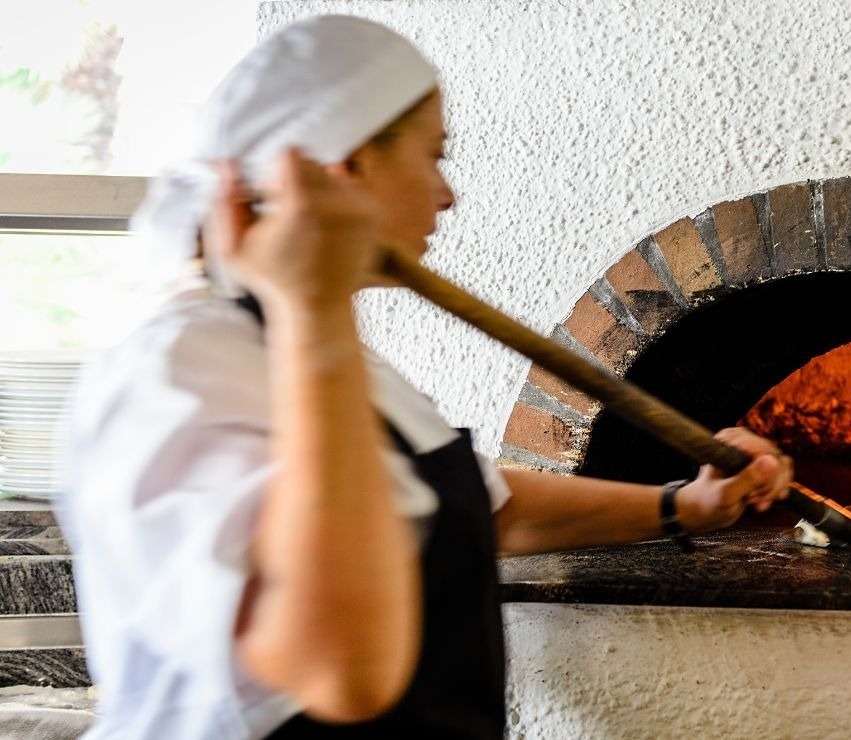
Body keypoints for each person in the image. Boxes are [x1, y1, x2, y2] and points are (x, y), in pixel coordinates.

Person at [57, 15, 792, 740]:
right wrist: (318, 312)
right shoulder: (176, 373)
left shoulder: (297, 345)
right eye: (432, 155)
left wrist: (681, 508)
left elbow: (483, 510)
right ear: (343, 168)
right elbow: (338, 671)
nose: (446, 195)